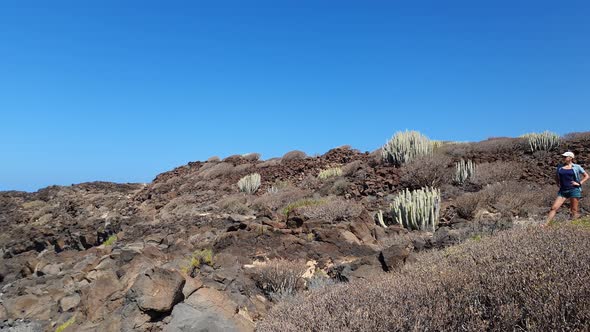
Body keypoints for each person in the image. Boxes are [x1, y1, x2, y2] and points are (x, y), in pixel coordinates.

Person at [545, 151, 589, 224]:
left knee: (574, 210)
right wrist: (558, 183)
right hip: (563, 191)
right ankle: (545, 224)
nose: (563, 158)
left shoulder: (577, 167)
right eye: (563, 157)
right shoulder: (560, 166)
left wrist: (579, 183)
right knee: (554, 208)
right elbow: (556, 176)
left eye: (565, 157)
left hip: (574, 190)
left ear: (571, 158)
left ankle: (574, 225)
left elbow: (587, 176)